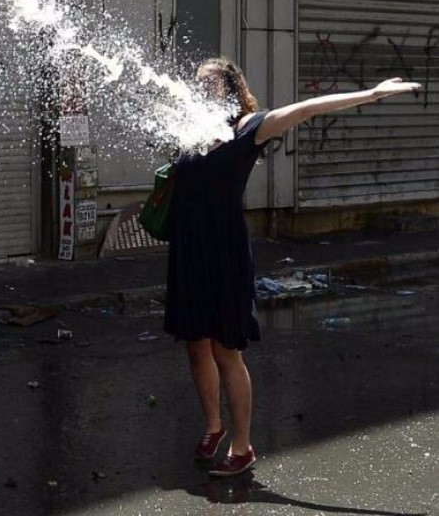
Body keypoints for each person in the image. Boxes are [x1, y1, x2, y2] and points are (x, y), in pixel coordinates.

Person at [163, 56, 421, 477]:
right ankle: (213, 427)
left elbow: (308, 108)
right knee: (196, 344)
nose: (201, 89)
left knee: (225, 351)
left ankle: (242, 447)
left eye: (210, 83)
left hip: (222, 250)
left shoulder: (250, 128)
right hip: (189, 249)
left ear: (231, 87)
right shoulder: (192, 129)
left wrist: (371, 94)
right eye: (197, 82)